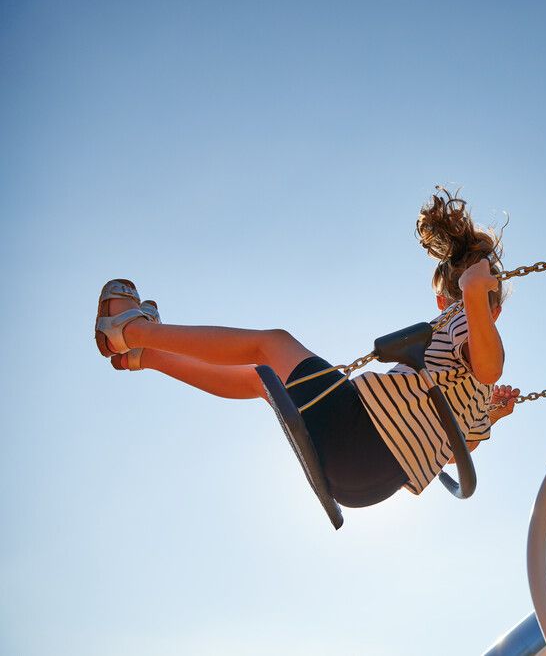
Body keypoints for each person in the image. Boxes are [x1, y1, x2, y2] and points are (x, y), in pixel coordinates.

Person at [94, 188, 519, 508]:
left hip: (363, 437)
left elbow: (489, 368)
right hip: (371, 481)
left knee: (271, 344)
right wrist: (491, 415)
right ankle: (147, 357)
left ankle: (131, 331)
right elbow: (464, 447)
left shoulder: (461, 319)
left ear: (445, 302)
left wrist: (472, 302)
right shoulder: (469, 349)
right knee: (267, 382)